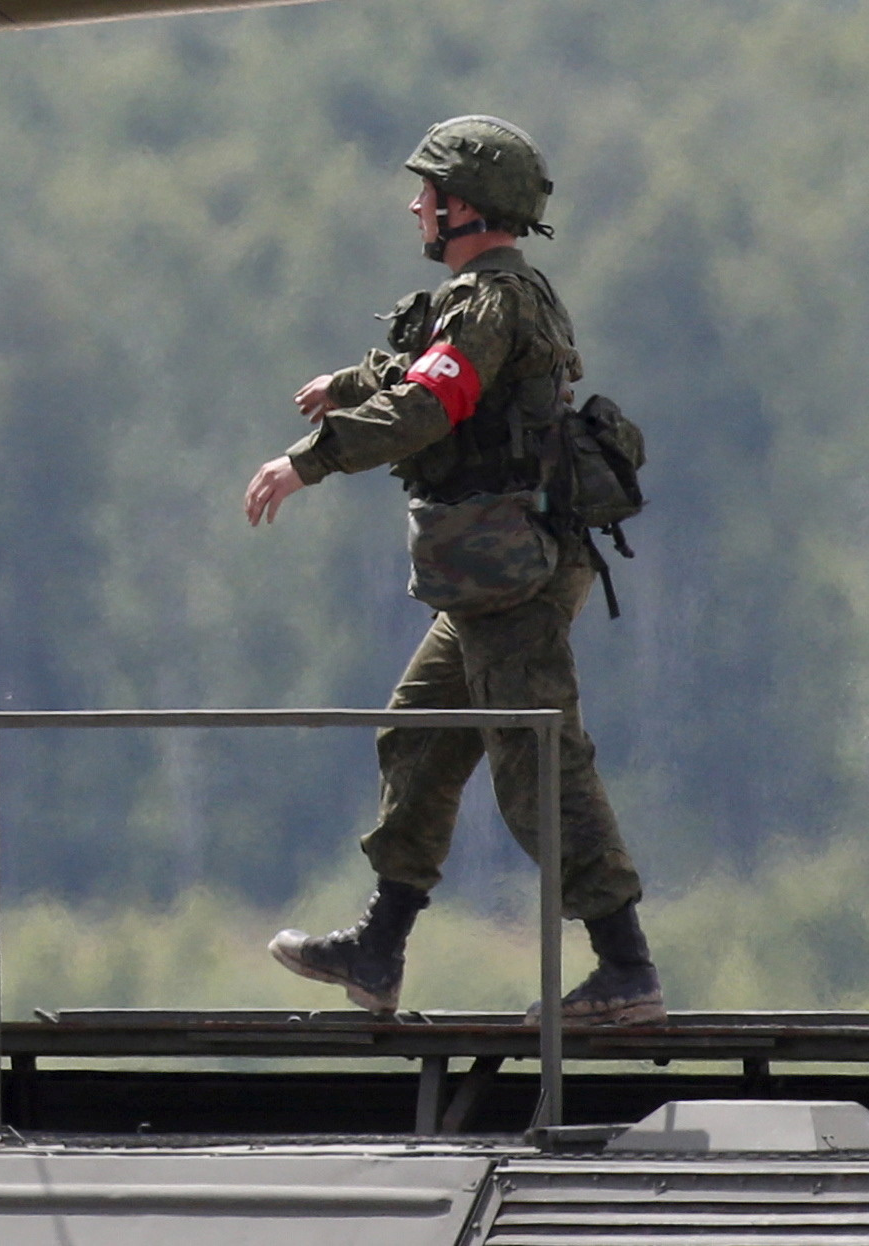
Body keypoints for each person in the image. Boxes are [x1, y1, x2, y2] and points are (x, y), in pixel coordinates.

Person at [240, 116, 658, 1028]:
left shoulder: (490, 299)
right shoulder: (491, 296)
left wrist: (307, 460)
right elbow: (432, 374)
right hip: (491, 571)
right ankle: (377, 951)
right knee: (422, 734)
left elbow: (432, 404)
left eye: (427, 191)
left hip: (511, 574)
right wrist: (352, 384)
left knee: (537, 762)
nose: (415, 204)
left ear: (463, 206)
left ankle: (626, 969)